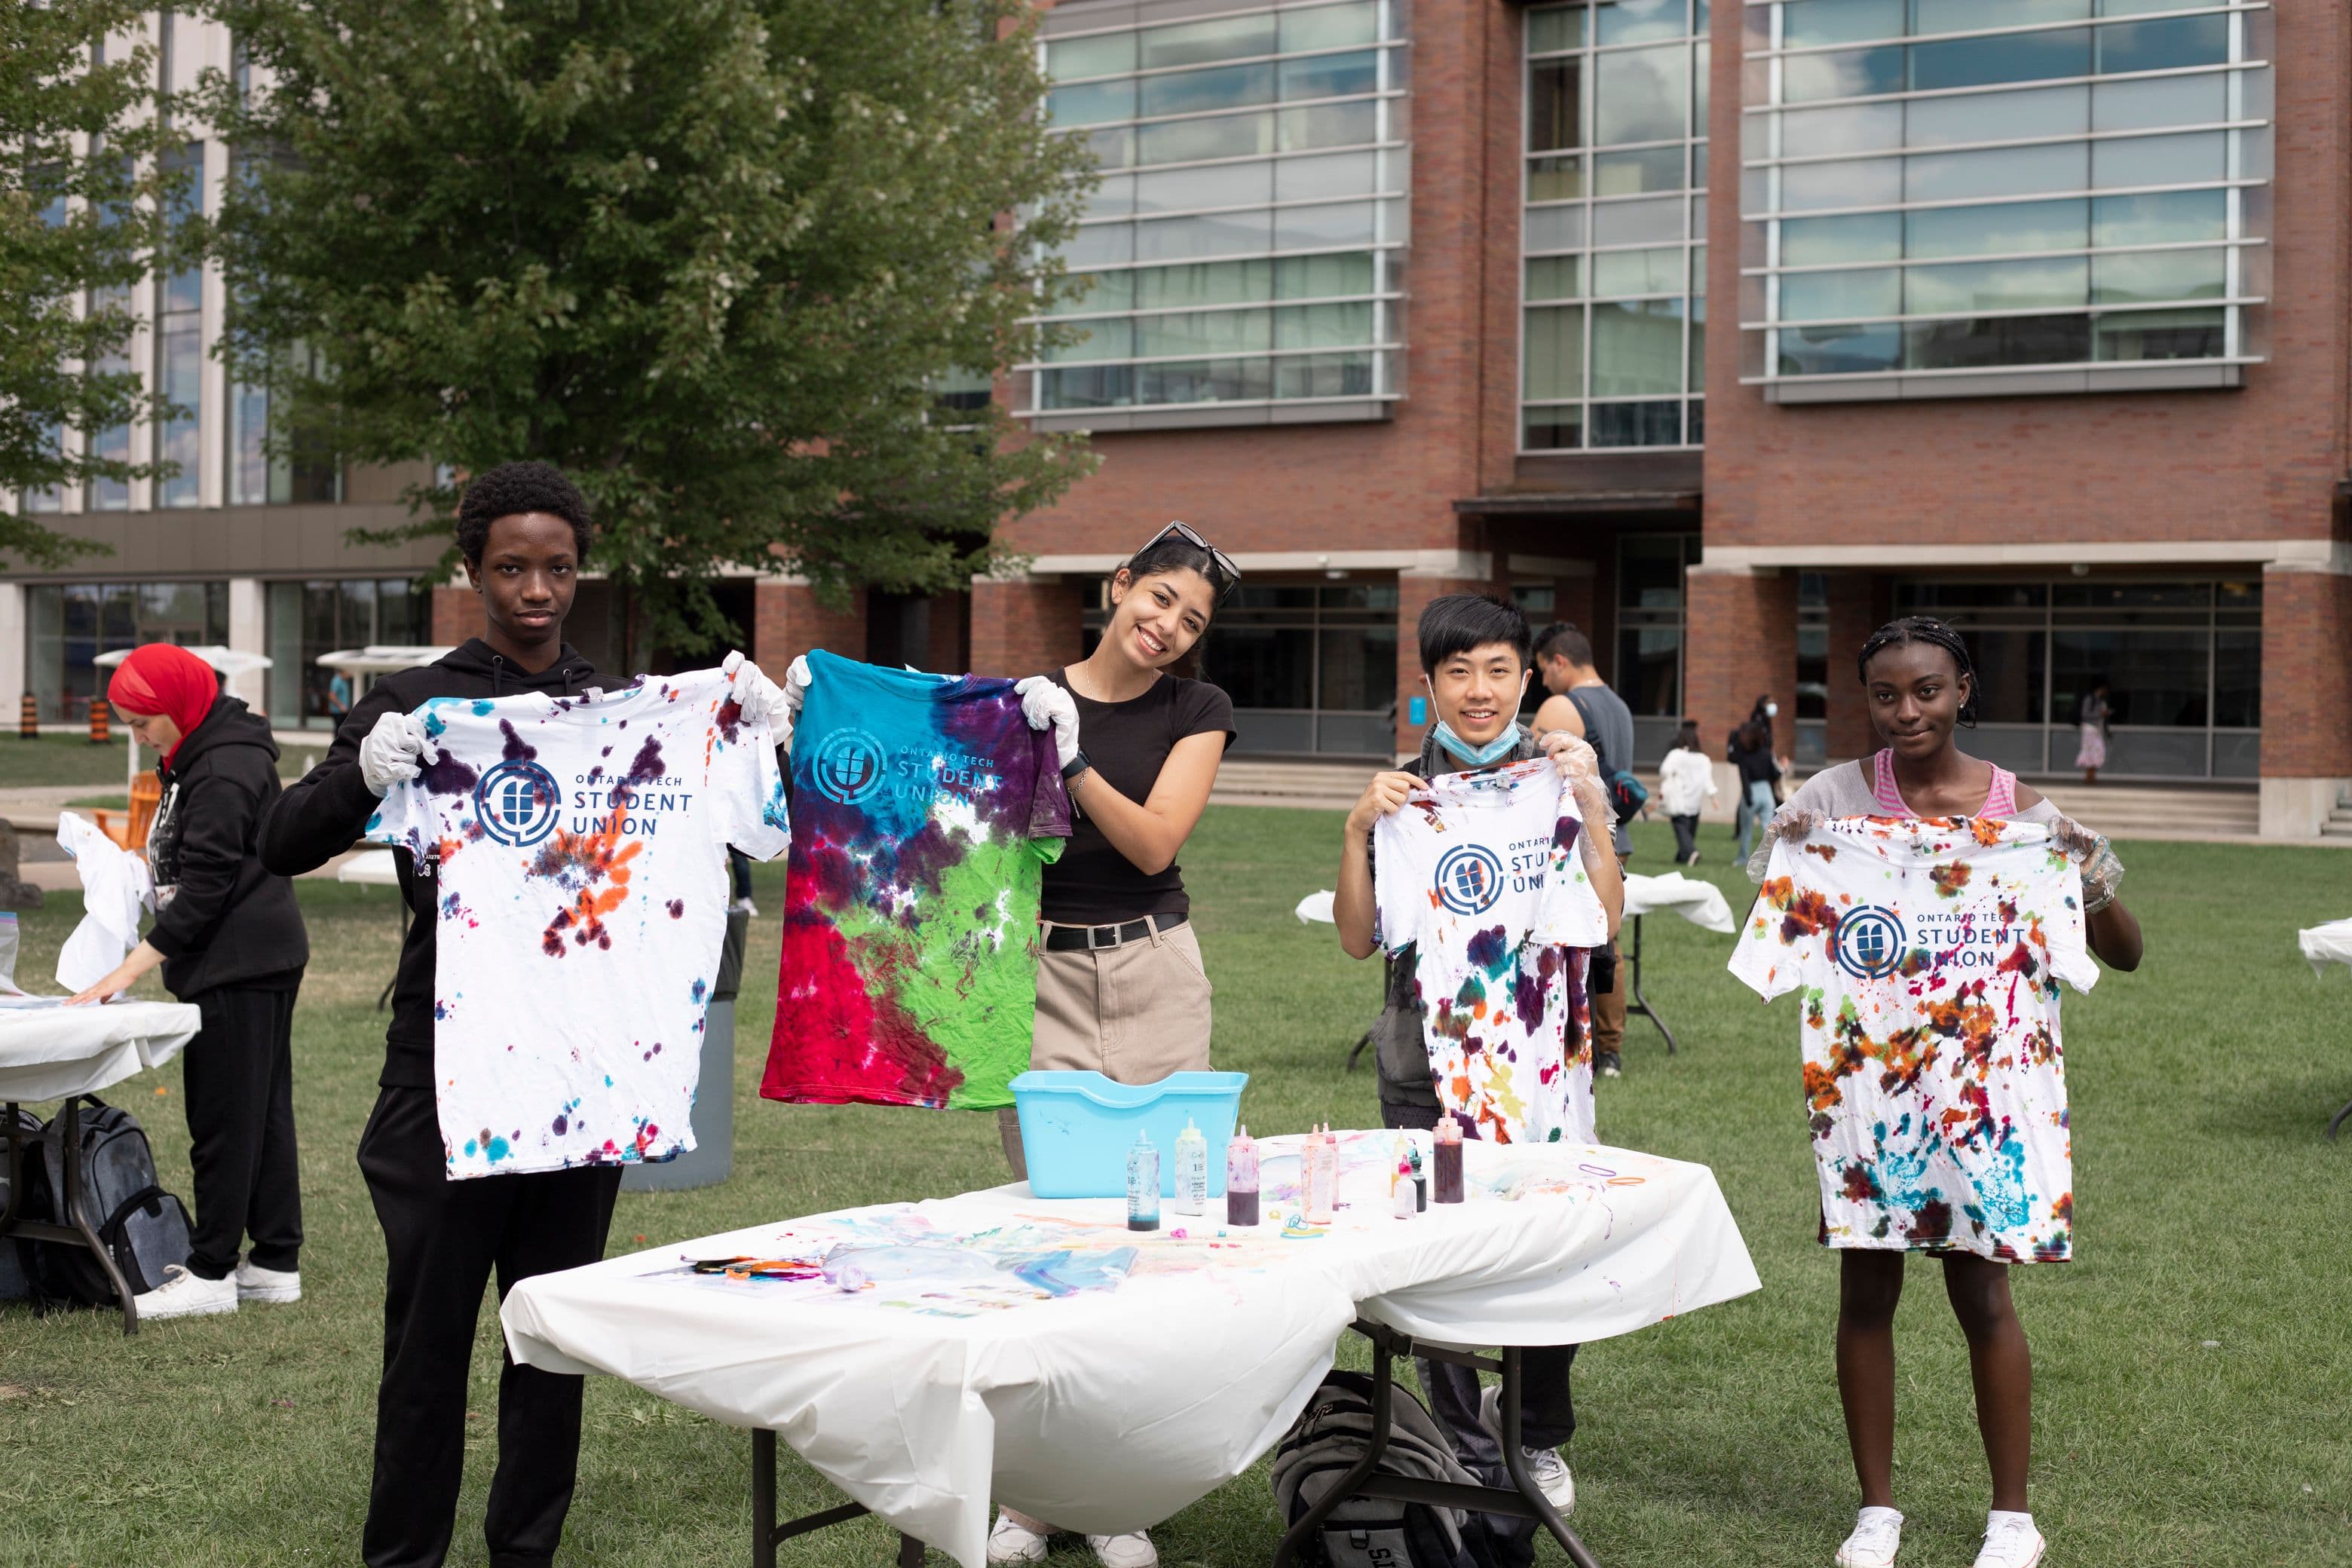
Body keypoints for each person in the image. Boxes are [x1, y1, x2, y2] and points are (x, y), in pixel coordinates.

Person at [259, 461, 797, 1568]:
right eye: (512, 567)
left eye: (557, 566)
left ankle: (526, 1552)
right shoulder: (419, 705)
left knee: (549, 1341)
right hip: (444, 1075)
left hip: (580, 1073)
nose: (537, 589)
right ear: (474, 571)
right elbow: (279, 840)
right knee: (427, 1344)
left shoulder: (627, 717)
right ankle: (401, 1556)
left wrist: (761, 739)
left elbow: (768, 836)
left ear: (578, 568)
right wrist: (364, 774)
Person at [1750, 616, 2142, 1568]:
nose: (1906, 711)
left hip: (1988, 1097)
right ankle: (1875, 1510)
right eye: (1885, 694)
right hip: (1870, 1094)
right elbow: (1778, 943)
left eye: (1926, 690)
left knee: (1985, 1294)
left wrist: (2081, 869)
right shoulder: (1831, 799)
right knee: (1866, 1289)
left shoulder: (2026, 816)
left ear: (1964, 688)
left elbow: (2126, 952)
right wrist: (1794, 853)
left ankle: (2013, 1517)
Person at [1333, 592, 1624, 1521]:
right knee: (1445, 1257)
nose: (1479, 690)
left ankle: (1533, 1433)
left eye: (1498, 669)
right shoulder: (1403, 796)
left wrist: (1588, 802)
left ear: (1527, 677)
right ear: (1428, 685)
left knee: (1549, 1250)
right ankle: (1462, 1443)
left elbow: (1605, 916)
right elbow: (1355, 938)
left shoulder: (1557, 777)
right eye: (1457, 672)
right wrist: (1354, 828)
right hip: (1427, 1065)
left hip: (1541, 1064)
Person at [985, 521, 1237, 1568]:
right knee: (1057, 1237)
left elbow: (1152, 841)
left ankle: (1118, 1492)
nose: (1168, 627)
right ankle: (1038, 1497)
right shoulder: (1017, 701)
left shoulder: (1199, 710)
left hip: (1154, 975)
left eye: (1193, 619)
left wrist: (1071, 754)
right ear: (1119, 583)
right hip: (1034, 978)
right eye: (1160, 598)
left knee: (1156, 1234)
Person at [64, 644, 310, 1322]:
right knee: (259, 1112)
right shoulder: (200, 751)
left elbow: (207, 888)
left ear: (178, 708)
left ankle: (211, 1270)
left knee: (225, 1117)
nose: (136, 736)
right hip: (248, 955)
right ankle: (274, 1261)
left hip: (241, 959)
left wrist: (126, 970)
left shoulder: (224, 768)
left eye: (143, 723)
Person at [1527, 623, 1634, 1076]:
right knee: (1609, 941)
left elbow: (1526, 770)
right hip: (1617, 836)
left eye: (1542, 671)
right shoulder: (1621, 705)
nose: (1542, 682)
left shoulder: (1561, 705)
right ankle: (1609, 1046)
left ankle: (1569, 1037)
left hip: (1578, 840)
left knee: (1569, 939)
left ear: (1559, 661)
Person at [1656, 720, 1717, 866]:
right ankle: (1683, 857)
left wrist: (1670, 778)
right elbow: (1707, 780)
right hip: (1695, 803)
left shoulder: (1676, 755)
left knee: (1682, 832)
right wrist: (1713, 796)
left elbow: (1664, 770)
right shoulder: (1704, 759)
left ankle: (1691, 853)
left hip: (1679, 800)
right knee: (1688, 833)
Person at [1728, 715, 1785, 862]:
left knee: (1746, 830)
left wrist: (1747, 798)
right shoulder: (1766, 753)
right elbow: (1774, 773)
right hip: (1766, 792)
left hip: (1751, 792)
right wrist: (1783, 768)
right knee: (1768, 828)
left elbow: (1744, 778)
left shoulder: (1743, 757)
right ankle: (1773, 858)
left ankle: (1742, 859)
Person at [2075, 676, 2111, 784]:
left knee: (2098, 752)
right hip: (2089, 729)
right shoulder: (2090, 699)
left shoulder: (2101, 701)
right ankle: (2089, 777)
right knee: (2090, 752)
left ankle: (2091, 776)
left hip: (2097, 730)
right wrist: (2100, 714)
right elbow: (2085, 715)